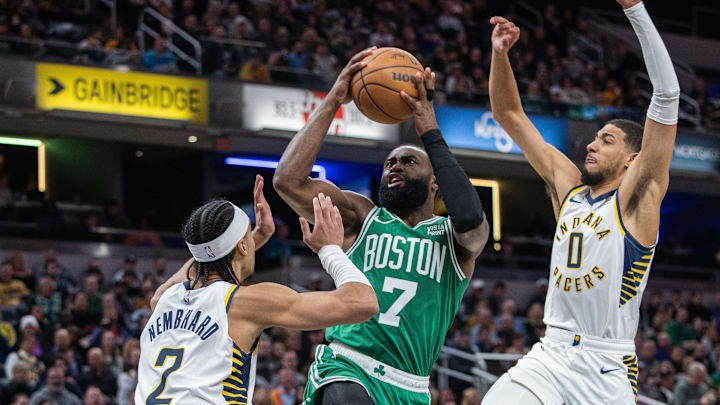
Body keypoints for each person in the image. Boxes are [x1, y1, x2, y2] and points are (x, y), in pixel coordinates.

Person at [482, 0, 680, 404]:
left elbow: (667, 93)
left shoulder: (637, 198)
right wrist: (500, 55)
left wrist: (635, 8)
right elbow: (508, 114)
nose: (591, 144)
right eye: (594, 137)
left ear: (632, 160)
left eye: (607, 140)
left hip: (605, 367)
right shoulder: (569, 189)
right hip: (550, 355)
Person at [274, 47, 489, 404]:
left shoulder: (455, 240)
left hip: (411, 385)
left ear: (435, 183)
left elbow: (469, 215)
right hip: (348, 366)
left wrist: (430, 132)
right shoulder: (363, 216)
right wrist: (333, 101)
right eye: (390, 163)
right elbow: (289, 182)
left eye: (408, 162)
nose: (395, 167)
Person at [135, 175, 378, 404]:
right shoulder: (245, 302)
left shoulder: (164, 298)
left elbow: (197, 263)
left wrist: (258, 235)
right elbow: (363, 303)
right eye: (248, 240)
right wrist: (331, 250)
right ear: (242, 246)